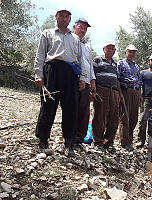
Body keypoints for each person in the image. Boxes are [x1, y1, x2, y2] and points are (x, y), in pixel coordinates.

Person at [34, 6, 87, 158]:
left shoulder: (75, 38)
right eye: (61, 16)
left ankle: (68, 144)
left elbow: (80, 60)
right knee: (48, 106)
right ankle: (43, 142)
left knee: (71, 108)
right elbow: (40, 56)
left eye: (67, 16)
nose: (64, 19)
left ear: (70, 20)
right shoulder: (47, 33)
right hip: (52, 70)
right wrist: (39, 75)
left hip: (71, 74)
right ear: (56, 17)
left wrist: (82, 78)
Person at [91, 40, 123, 153]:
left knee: (114, 116)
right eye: (108, 48)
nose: (110, 50)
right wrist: (93, 88)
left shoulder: (115, 64)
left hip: (113, 91)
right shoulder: (97, 60)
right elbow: (92, 75)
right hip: (101, 89)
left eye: (112, 48)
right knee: (100, 114)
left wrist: (119, 93)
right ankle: (98, 142)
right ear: (103, 49)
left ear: (114, 51)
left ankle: (109, 142)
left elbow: (117, 79)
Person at [72, 18, 96, 151]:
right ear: (75, 26)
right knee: (72, 109)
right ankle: (70, 138)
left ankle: (79, 139)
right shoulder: (70, 41)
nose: (82, 30)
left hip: (86, 82)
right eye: (81, 27)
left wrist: (93, 81)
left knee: (84, 111)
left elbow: (90, 65)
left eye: (85, 29)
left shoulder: (87, 47)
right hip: (74, 80)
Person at [117, 44, 142, 151]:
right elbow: (117, 79)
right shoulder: (120, 63)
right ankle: (124, 141)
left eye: (133, 52)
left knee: (134, 117)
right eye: (130, 51)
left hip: (136, 92)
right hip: (126, 91)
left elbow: (139, 82)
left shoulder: (136, 66)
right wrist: (120, 93)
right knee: (125, 116)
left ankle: (130, 140)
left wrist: (140, 95)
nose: (132, 54)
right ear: (126, 52)